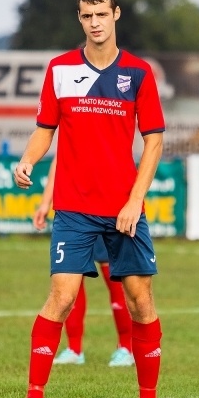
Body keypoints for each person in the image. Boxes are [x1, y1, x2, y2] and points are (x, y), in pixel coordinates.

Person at [13, 0, 168, 398]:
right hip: (74, 210)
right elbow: (46, 127)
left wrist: (135, 201)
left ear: (116, 15)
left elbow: (155, 142)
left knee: (141, 302)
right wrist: (27, 160)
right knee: (61, 297)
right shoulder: (60, 69)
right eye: (87, 16)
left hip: (125, 209)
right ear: (79, 18)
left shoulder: (138, 73)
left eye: (102, 14)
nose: (95, 23)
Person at [33, 155, 134, 368]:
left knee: (114, 279)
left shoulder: (111, 124)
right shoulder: (72, 125)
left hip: (109, 209)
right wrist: (45, 202)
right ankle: (74, 349)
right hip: (76, 213)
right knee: (70, 281)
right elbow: (59, 161)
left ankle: (126, 348)